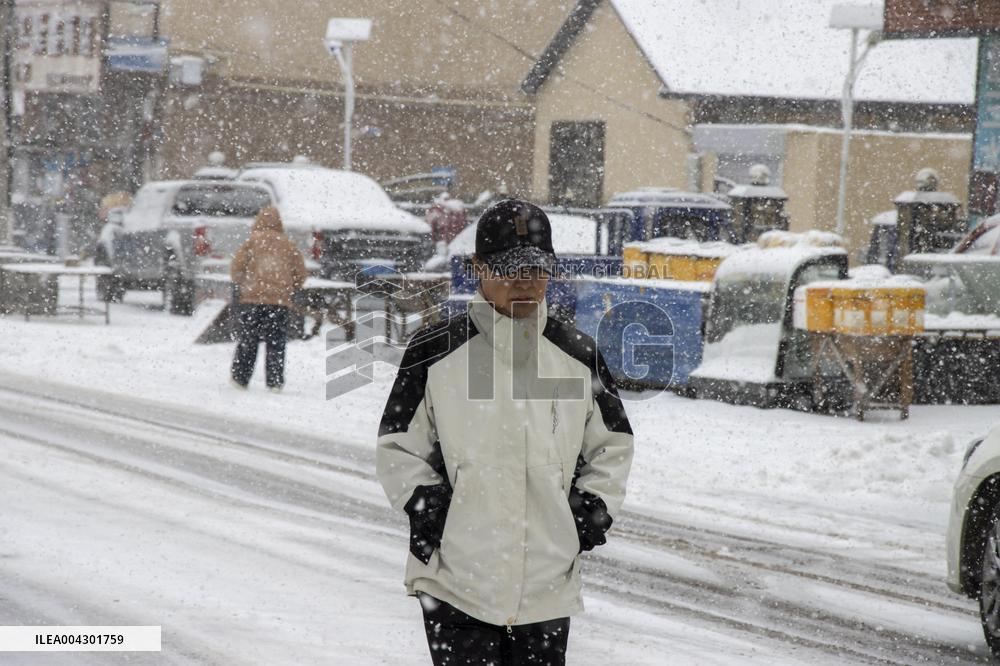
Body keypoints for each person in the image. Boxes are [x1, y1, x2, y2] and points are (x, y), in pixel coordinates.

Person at [376, 199, 634, 665]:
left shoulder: (576, 354)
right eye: (510, 268)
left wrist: (589, 513)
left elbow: (612, 445)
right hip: (457, 580)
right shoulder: (435, 351)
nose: (525, 283)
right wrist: (431, 512)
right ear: (478, 267)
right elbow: (399, 445)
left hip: (546, 587)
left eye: (537, 270)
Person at [229, 206, 306, 390]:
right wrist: (289, 287)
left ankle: (240, 378)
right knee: (276, 342)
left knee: (249, 340)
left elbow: (236, 269)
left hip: (253, 300)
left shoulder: (252, 242)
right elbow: (300, 274)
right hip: (279, 303)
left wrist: (243, 283)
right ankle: (274, 381)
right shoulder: (288, 244)